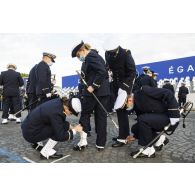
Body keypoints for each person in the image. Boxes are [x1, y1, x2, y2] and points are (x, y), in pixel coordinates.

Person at [115, 86, 180, 158]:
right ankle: (160, 139)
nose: (126, 109)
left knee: (142, 119)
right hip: (157, 118)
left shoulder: (145, 91)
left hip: (169, 117)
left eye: (125, 106)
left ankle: (148, 151)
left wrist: (174, 114)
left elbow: (168, 93)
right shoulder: (136, 104)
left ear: (129, 99)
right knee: (135, 128)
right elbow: (143, 126)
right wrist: (133, 136)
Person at [72, 41, 110, 151]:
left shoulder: (91, 56)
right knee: (100, 117)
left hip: (94, 93)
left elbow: (102, 72)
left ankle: (83, 142)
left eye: (78, 55)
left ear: (82, 50)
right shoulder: (93, 56)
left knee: (85, 115)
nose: (79, 58)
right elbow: (94, 72)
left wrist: (93, 85)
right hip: (102, 92)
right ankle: (100, 144)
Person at [105, 45, 136, 147]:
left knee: (122, 111)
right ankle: (124, 135)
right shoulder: (108, 53)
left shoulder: (126, 53)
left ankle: (123, 137)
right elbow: (108, 67)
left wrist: (125, 87)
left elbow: (132, 72)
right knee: (119, 111)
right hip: (115, 85)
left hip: (125, 85)